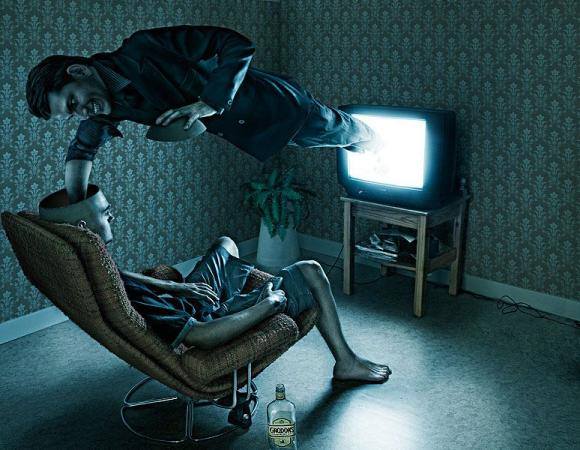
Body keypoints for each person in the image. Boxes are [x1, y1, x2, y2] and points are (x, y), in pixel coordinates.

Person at [38, 185, 391, 383]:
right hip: (208, 319)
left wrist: (178, 288)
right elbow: (201, 336)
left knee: (226, 243)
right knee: (312, 270)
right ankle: (346, 361)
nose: (112, 214)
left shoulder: (87, 263)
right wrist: (266, 305)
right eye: (105, 212)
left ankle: (233, 290)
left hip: (190, 300)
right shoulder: (130, 299)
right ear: (83, 228)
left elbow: (121, 276)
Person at [26, 25, 379, 203]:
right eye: (70, 115)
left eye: (72, 103)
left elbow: (236, 43)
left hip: (280, 107)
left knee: (352, 135)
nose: (80, 113)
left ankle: (380, 141)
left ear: (79, 71)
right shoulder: (106, 106)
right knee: (328, 144)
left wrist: (209, 102)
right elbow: (82, 150)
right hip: (254, 135)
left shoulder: (144, 47)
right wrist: (76, 207)